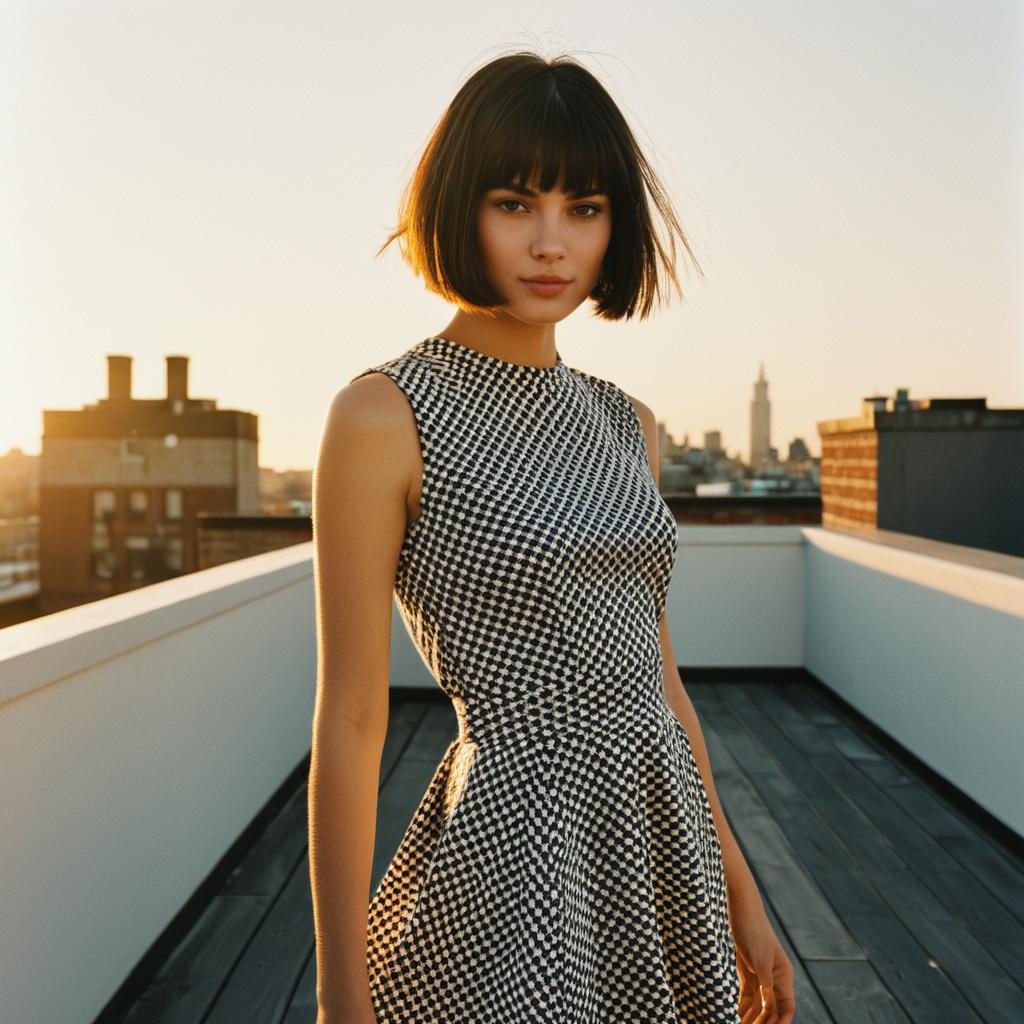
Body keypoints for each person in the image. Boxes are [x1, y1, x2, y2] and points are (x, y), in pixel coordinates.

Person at [308, 49, 796, 1024]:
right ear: (458, 207)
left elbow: (660, 689)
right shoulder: (382, 415)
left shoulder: (626, 423)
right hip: (515, 854)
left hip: (659, 846)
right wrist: (338, 1001)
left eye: (584, 209)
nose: (550, 244)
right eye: (513, 202)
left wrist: (741, 891)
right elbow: (352, 720)